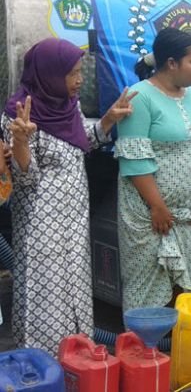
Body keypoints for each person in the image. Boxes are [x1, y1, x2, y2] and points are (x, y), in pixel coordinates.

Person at [1, 38, 136, 354]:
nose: (79, 80)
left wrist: (109, 120)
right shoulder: (19, 114)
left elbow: (80, 142)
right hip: (39, 223)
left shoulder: (67, 105)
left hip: (73, 216)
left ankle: (76, 359)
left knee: (74, 284)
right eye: (72, 74)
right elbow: (24, 179)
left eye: (80, 72)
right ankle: (41, 363)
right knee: (46, 292)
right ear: (49, 73)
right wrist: (20, 142)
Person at [117, 28, 191, 311]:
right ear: (171, 63)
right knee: (147, 289)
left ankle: (173, 348)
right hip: (149, 217)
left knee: (182, 289)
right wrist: (157, 207)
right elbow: (135, 161)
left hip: (188, 217)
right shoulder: (140, 97)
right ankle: (142, 347)